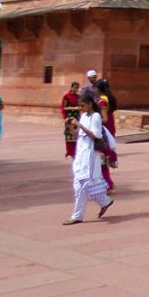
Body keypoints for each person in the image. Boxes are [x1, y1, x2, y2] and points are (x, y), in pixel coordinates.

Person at [63, 95, 114, 225]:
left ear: (90, 104)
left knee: (84, 184)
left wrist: (79, 125)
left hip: (90, 154)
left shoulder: (95, 116)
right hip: (80, 153)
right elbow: (79, 134)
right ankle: (104, 201)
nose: (81, 108)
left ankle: (77, 215)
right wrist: (71, 127)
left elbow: (96, 134)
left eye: (82, 105)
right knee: (78, 184)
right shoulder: (84, 116)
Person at [96, 77, 120, 172]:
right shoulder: (109, 98)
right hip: (111, 122)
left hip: (106, 125)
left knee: (104, 147)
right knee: (109, 143)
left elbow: (104, 118)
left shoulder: (102, 100)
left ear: (99, 89)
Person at [61, 82, 82, 159]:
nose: (76, 89)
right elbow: (63, 108)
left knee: (75, 136)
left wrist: (80, 109)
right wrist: (65, 117)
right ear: (71, 87)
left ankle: (74, 152)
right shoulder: (66, 96)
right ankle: (69, 153)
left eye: (77, 88)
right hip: (69, 117)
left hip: (76, 118)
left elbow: (81, 106)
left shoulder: (78, 97)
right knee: (69, 136)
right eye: (75, 87)